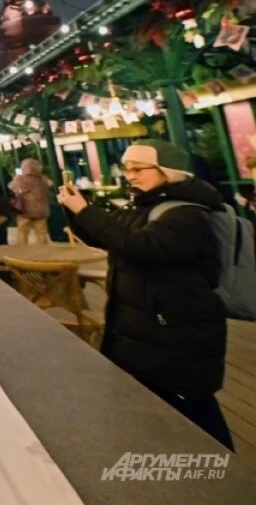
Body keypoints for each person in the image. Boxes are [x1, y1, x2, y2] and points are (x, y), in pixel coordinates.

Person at [57, 140, 233, 450]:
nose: (131, 175)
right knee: (162, 409)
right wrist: (76, 211)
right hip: (148, 327)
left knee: (194, 411)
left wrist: (85, 210)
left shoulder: (187, 214)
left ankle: (229, 479)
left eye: (139, 168)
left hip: (176, 331)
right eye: (127, 168)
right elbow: (112, 238)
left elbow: (141, 247)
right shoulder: (145, 205)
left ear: (168, 171)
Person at [10, 158, 52, 245]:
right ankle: (44, 253)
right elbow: (50, 184)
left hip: (25, 211)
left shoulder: (20, 179)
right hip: (41, 211)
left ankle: (24, 253)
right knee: (42, 234)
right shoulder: (43, 179)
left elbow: (11, 187)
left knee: (22, 233)